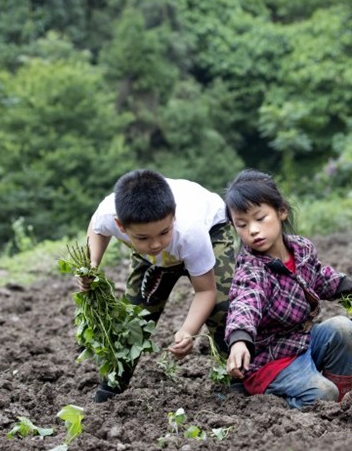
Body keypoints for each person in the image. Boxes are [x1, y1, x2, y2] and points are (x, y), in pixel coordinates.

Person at [79, 169, 235, 402]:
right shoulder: (108, 212)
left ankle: (236, 377)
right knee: (133, 316)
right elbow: (97, 227)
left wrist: (188, 331)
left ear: (173, 216)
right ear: (121, 226)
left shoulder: (191, 230)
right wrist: (92, 263)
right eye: (142, 238)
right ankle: (113, 383)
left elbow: (206, 290)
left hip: (211, 232)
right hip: (158, 257)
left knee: (222, 307)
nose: (155, 243)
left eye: (163, 233)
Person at [223, 169, 352, 410]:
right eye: (242, 224)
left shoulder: (302, 249)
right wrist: (239, 341)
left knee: (343, 328)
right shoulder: (252, 269)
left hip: (301, 343)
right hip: (270, 361)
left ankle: (342, 402)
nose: (253, 230)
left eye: (260, 218)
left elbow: (320, 278)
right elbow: (245, 302)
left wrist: (351, 288)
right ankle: (285, 400)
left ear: (281, 211)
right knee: (322, 394)